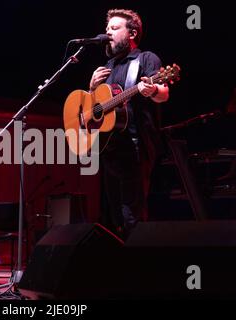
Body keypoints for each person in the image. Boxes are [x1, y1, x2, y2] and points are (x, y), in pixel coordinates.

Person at [89, 9, 169, 239]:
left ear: (132, 33)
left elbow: (163, 93)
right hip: (110, 147)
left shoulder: (146, 59)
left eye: (114, 29)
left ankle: (138, 267)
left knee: (131, 216)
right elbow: (95, 110)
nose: (107, 34)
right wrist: (92, 88)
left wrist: (152, 88)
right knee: (114, 218)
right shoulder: (107, 67)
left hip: (135, 146)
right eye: (107, 30)